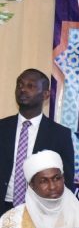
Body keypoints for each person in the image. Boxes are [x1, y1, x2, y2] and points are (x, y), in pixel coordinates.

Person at [0, 69, 74, 216]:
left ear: (46, 94)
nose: (22, 89)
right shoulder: (2, 128)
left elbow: (67, 180)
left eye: (30, 86)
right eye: (19, 84)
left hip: (41, 211)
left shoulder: (60, 134)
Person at [0, 150, 79, 228]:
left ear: (63, 179)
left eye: (57, 178)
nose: (52, 186)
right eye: (43, 181)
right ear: (31, 185)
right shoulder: (13, 219)